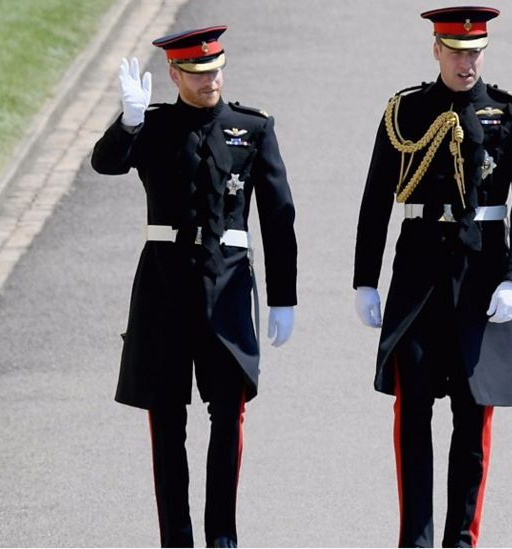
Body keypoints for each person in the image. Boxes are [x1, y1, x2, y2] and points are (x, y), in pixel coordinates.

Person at [91, 26, 297, 548]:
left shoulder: (251, 127)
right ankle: (176, 540)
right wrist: (130, 122)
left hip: (227, 287)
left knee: (228, 415)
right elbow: (105, 162)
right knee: (166, 420)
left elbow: (277, 216)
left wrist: (283, 298)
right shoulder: (154, 126)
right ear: (175, 74)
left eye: (216, 70)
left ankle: (222, 538)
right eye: (198, 73)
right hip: (164, 286)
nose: (210, 81)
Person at [352, 6, 512, 547]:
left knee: (472, 417)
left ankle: (461, 539)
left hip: (481, 276)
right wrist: (365, 278)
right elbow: (375, 198)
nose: (467, 62)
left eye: (475, 51)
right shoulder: (406, 112)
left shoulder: (510, 115)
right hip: (418, 278)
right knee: (411, 413)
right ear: (436, 49)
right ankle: (414, 539)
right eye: (457, 51)